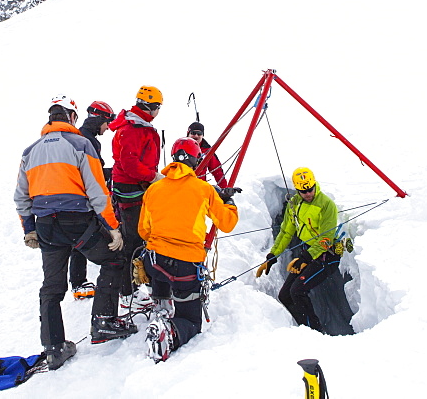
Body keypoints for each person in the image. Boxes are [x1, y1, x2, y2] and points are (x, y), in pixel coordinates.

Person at [14, 95, 137, 371]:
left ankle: (53, 347)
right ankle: (104, 321)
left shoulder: (29, 152)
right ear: (71, 117)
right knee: (113, 260)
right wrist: (113, 228)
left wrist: (29, 229)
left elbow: (21, 197)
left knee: (52, 286)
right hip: (77, 221)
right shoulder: (80, 145)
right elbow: (97, 191)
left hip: (46, 225)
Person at [139, 137, 240, 361]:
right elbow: (227, 223)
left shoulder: (154, 189)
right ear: (196, 162)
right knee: (192, 321)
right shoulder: (203, 189)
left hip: (155, 262)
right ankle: (169, 333)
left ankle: (161, 304)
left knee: (161, 268)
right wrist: (228, 203)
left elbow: (143, 231)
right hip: (185, 267)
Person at [256, 167, 352, 334]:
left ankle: (315, 332)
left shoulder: (326, 205)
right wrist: (273, 255)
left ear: (315, 184)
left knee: (298, 290)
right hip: (308, 253)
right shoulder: (294, 204)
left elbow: (326, 239)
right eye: (303, 190)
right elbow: (286, 232)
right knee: (285, 295)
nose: (308, 193)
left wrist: (305, 258)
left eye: (310, 189)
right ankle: (304, 329)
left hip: (326, 255)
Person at [109, 86, 163, 310]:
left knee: (136, 238)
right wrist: (152, 177)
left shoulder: (135, 125)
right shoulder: (134, 128)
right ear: (152, 107)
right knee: (134, 240)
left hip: (132, 187)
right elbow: (130, 162)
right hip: (132, 190)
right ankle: (127, 292)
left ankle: (131, 287)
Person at [68, 100, 117, 301]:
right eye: (107, 123)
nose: (107, 128)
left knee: (77, 239)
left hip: (74, 196)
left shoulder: (79, 137)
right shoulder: (87, 140)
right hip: (84, 197)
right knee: (83, 237)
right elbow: (92, 174)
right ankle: (79, 282)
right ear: (99, 119)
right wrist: (115, 173)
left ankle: (78, 281)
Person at [186, 121, 227, 188]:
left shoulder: (208, 151)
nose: (196, 136)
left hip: (200, 189)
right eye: (193, 133)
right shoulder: (181, 147)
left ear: (202, 135)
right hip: (183, 187)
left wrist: (225, 188)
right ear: (188, 134)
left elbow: (217, 171)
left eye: (199, 133)